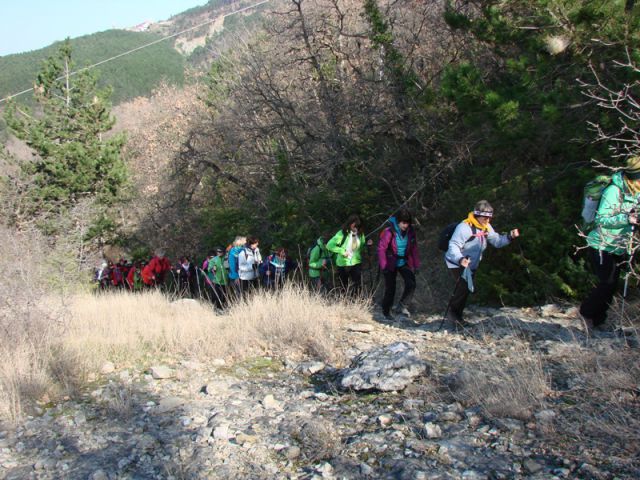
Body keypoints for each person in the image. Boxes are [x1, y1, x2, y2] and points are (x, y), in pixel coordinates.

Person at [580, 157, 640, 331]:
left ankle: (599, 320)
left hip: (619, 244)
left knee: (612, 284)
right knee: (607, 282)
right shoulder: (614, 191)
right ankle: (587, 314)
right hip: (601, 244)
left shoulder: (635, 191)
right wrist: (626, 218)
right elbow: (601, 219)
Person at [445, 200, 520, 326]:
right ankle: (454, 317)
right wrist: (460, 259)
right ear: (477, 215)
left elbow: (496, 241)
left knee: (466, 289)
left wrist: (509, 236)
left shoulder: (486, 227)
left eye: (489, 217)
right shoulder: (464, 227)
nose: (487, 220)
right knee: (463, 287)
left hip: (471, 264)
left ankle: (457, 316)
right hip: (456, 262)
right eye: (485, 217)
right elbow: (453, 246)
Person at [378, 209, 420, 319]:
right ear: (398, 222)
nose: (406, 225)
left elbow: (414, 249)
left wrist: (416, 265)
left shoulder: (411, 232)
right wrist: (384, 266)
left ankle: (402, 306)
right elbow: (381, 249)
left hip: (404, 261)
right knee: (390, 288)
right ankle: (386, 311)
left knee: (411, 283)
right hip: (390, 262)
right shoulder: (389, 231)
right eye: (403, 223)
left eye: (407, 223)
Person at [327, 214, 372, 295]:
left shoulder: (361, 234)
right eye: (354, 226)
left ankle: (355, 304)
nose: (356, 228)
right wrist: (342, 251)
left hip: (356, 263)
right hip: (343, 264)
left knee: (357, 286)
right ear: (350, 224)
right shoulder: (342, 233)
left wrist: (368, 244)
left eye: (358, 227)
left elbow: (361, 247)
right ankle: (344, 304)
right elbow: (329, 245)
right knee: (343, 287)